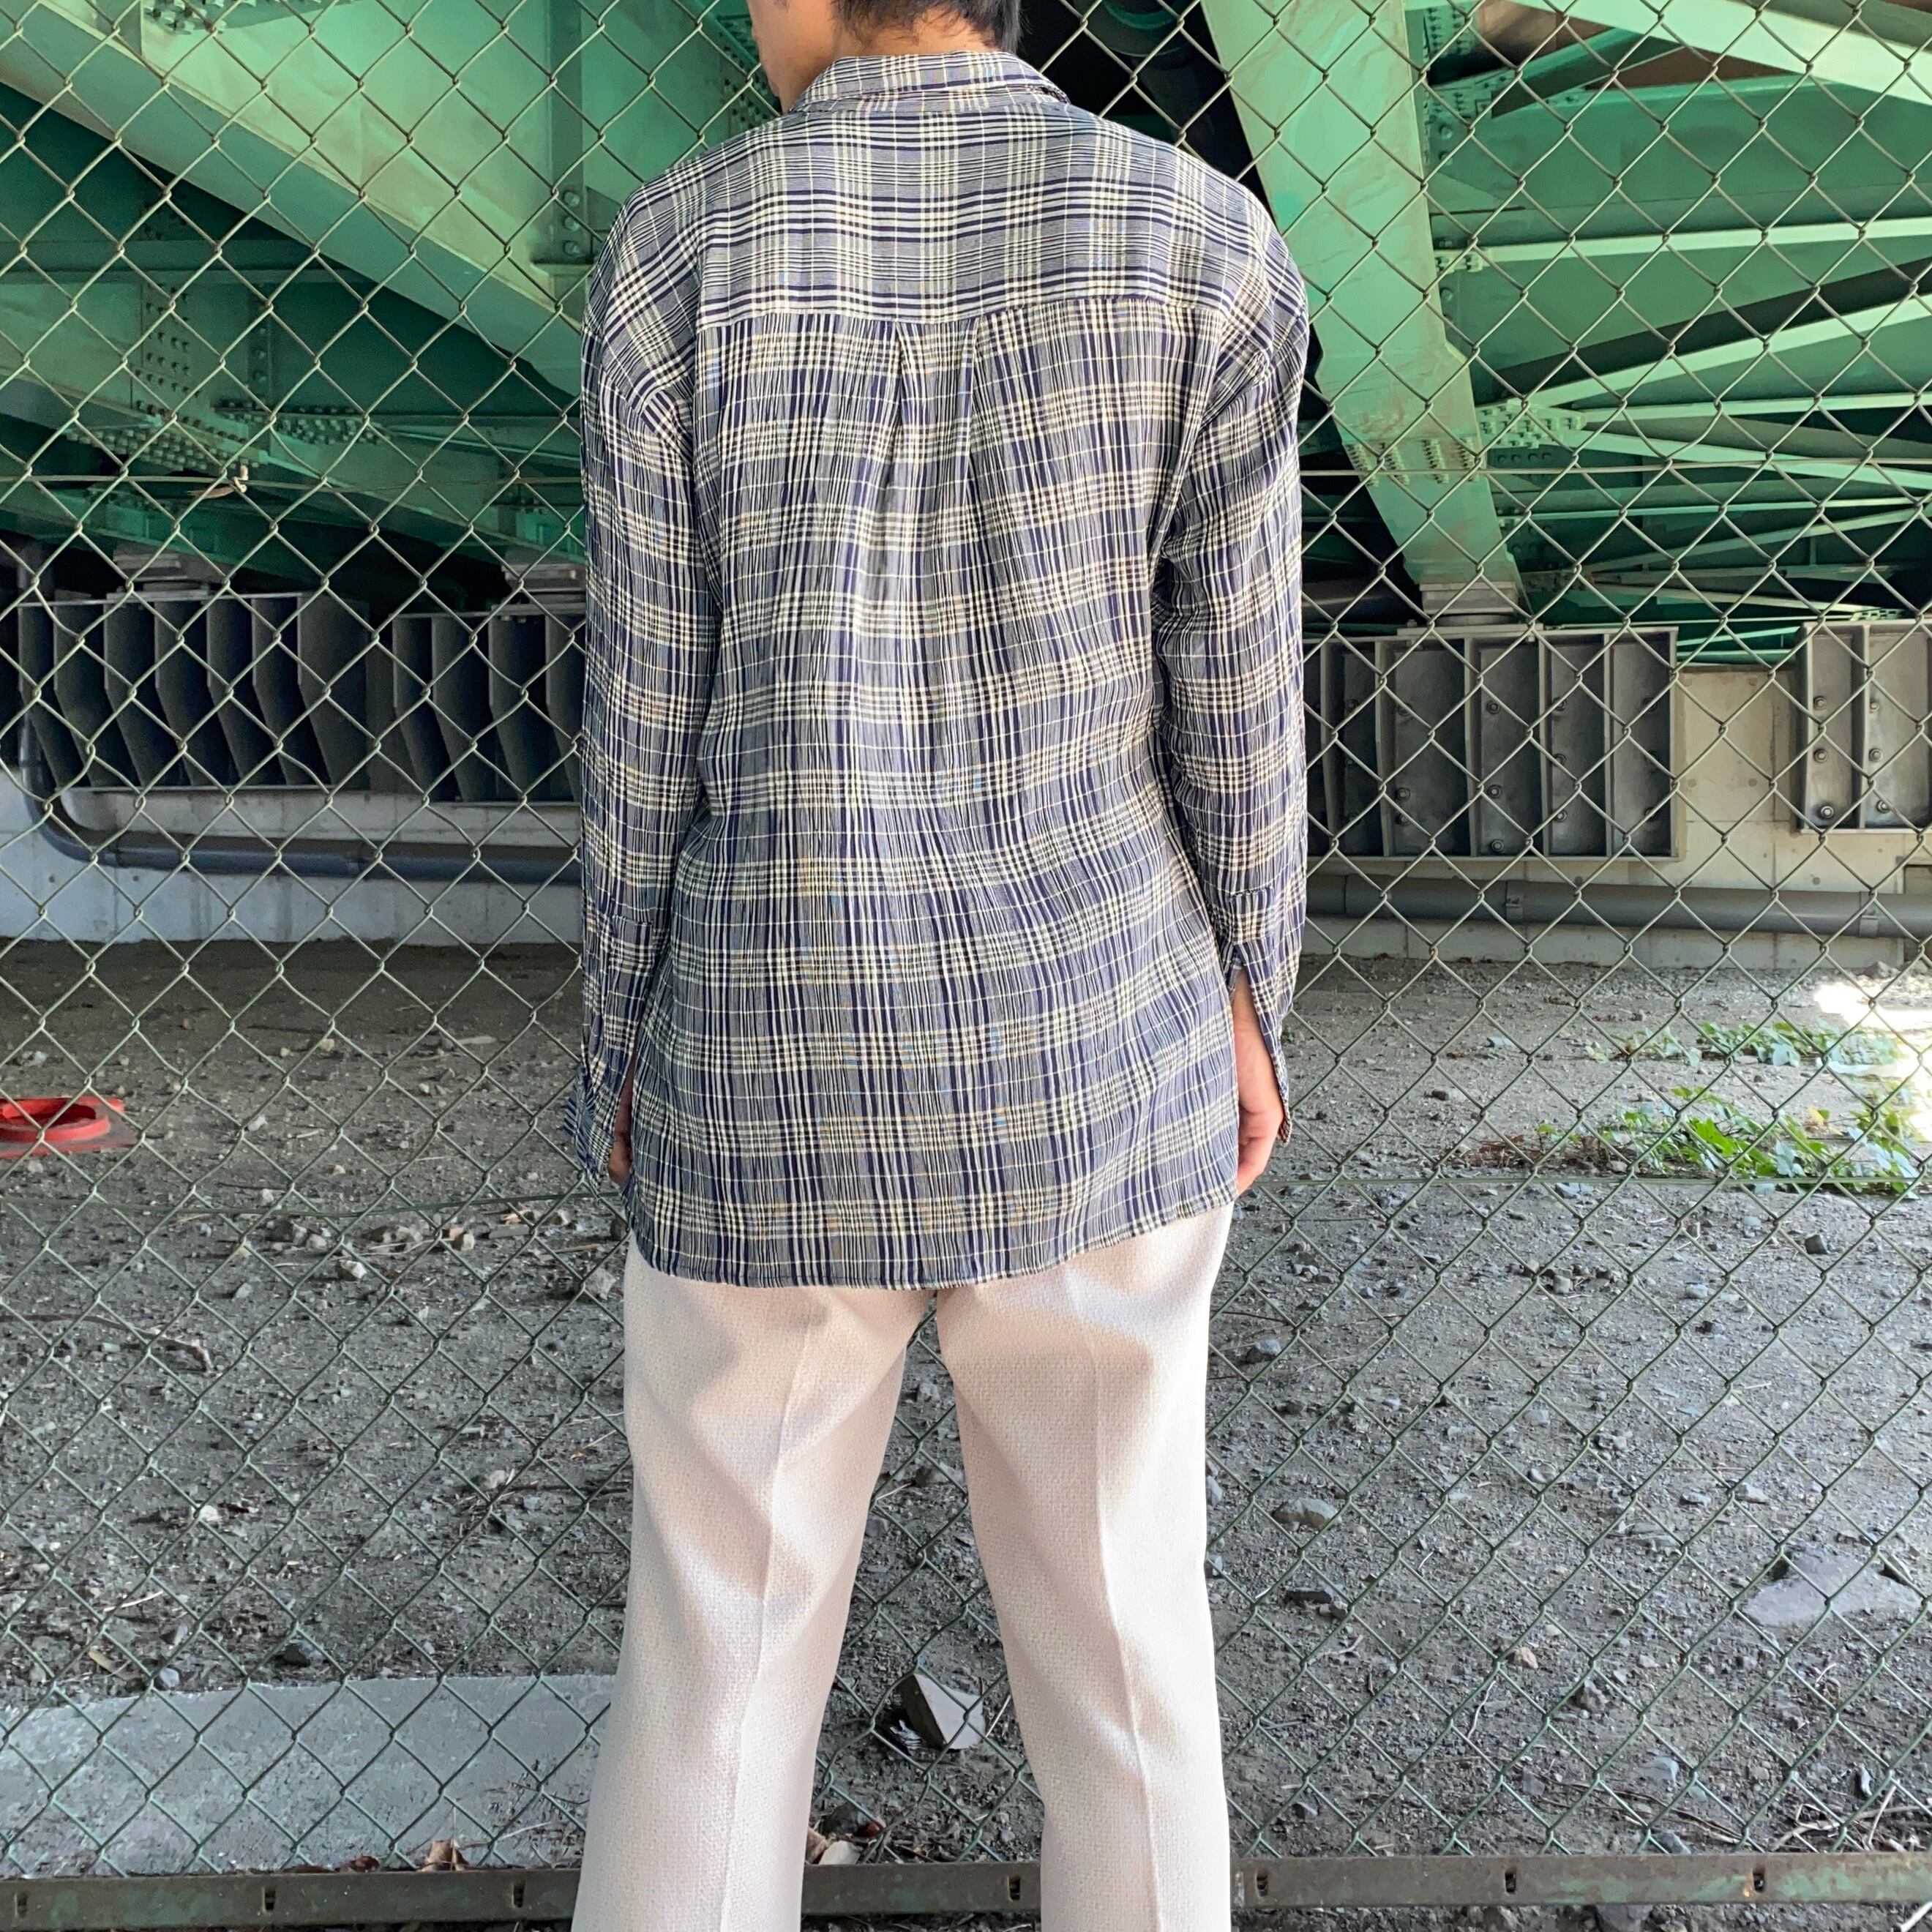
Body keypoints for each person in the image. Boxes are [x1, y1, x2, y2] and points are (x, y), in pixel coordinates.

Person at [560, 0, 1308, 1914]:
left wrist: (623, 1040)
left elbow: (643, 713)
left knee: (716, 1667)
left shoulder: (684, 246)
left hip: (773, 1050)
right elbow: (1239, 696)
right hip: (1098, 1047)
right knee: (1128, 1652)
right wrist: (1253, 997)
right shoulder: (1201, 236)